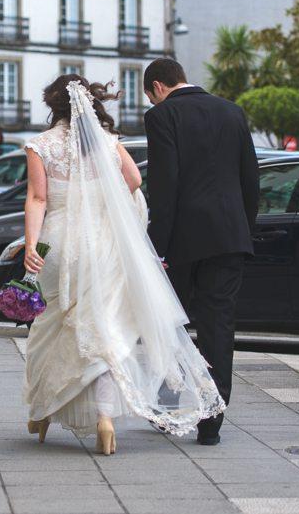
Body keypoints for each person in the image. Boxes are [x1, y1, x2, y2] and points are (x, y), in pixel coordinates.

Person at [22, 74, 224, 455]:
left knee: (55, 327)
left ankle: (42, 412)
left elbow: (37, 198)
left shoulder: (41, 145)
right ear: (91, 102)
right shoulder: (108, 143)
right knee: (106, 331)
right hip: (106, 244)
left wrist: (31, 244)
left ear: (54, 106)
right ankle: (105, 417)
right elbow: (133, 180)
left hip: (63, 243)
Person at [143, 58, 259, 446]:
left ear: (158, 87)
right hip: (229, 237)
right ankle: (212, 423)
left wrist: (157, 245)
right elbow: (250, 179)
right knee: (218, 329)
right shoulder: (232, 111)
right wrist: (243, 230)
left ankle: (167, 408)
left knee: (172, 324)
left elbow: (165, 185)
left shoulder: (162, 117)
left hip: (183, 241)